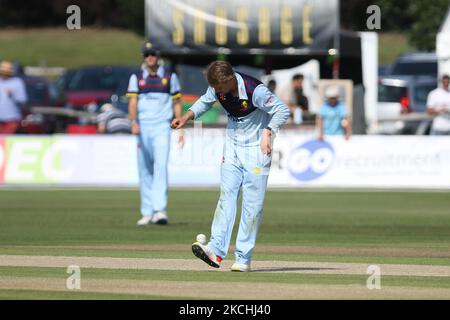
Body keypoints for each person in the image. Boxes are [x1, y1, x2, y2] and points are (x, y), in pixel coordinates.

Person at [171, 61, 290, 272]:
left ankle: (243, 257)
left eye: (220, 88)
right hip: (232, 148)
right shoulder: (217, 87)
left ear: (230, 79)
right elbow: (204, 102)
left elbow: (282, 110)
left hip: (257, 151)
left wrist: (268, 131)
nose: (217, 93)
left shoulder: (255, 90)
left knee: (252, 206)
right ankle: (215, 251)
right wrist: (186, 117)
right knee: (226, 196)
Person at [127, 41, 184, 226]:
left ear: (158, 56)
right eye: (147, 54)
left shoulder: (169, 76)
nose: (150, 57)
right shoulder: (136, 77)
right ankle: (147, 211)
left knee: (160, 167)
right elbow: (133, 102)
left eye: (153, 54)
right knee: (144, 169)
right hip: (143, 127)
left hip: (161, 127)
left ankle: (160, 210)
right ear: (143, 57)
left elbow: (177, 102)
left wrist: (180, 125)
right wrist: (134, 122)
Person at [0, 61, 27, 134]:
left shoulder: (17, 82)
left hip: (11, 118)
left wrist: (12, 95)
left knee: (5, 140)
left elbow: (22, 100)